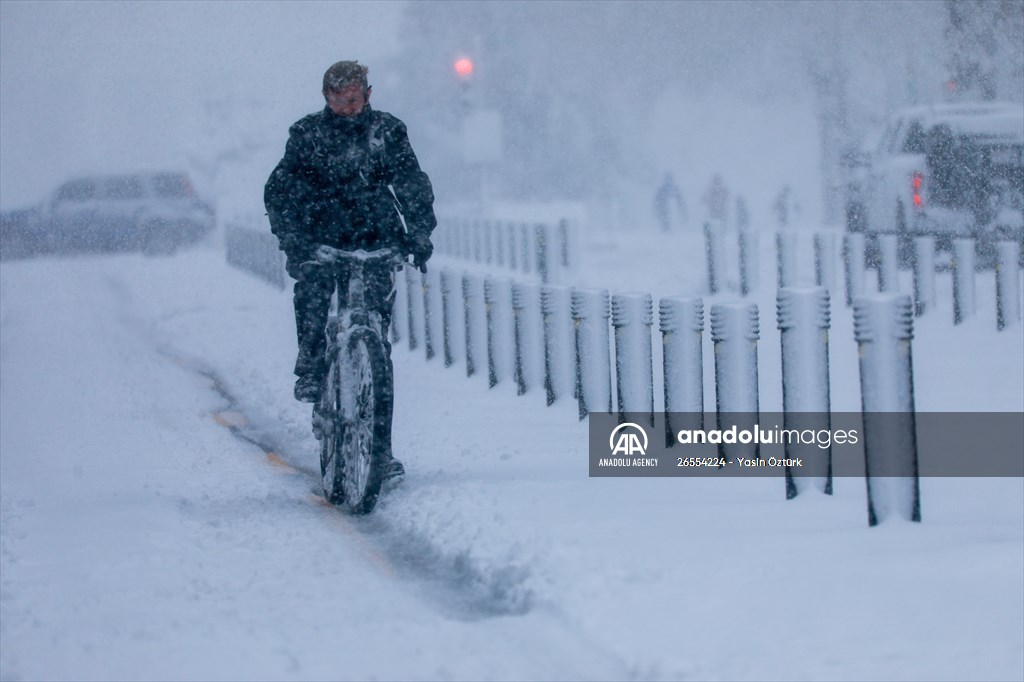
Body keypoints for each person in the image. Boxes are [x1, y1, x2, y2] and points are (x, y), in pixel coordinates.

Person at [264, 60, 436, 476]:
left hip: (377, 237)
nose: (347, 107)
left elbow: (411, 182)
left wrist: (419, 232)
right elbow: (281, 190)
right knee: (314, 288)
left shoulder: (388, 131)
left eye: (354, 99)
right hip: (323, 235)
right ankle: (311, 362)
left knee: (378, 340)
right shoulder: (307, 135)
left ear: (368, 95)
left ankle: (379, 452)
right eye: (339, 100)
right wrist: (295, 242)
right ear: (326, 98)